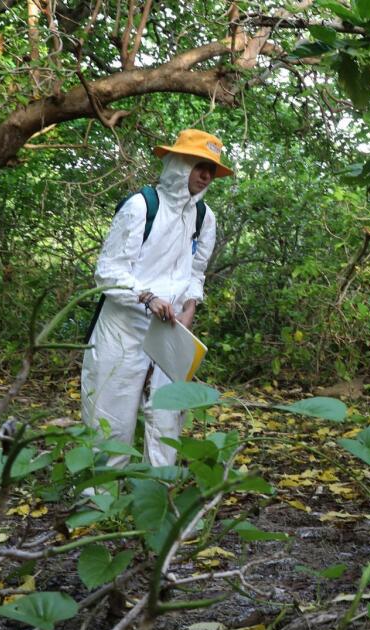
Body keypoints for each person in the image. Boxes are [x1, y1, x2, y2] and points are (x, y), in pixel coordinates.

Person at [81, 129, 232, 468]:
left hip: (170, 332)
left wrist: (189, 308)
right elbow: (108, 272)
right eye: (199, 166)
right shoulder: (141, 206)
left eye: (212, 170)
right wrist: (147, 298)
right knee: (110, 419)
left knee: (167, 418)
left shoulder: (204, 217)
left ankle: (159, 498)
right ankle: (99, 507)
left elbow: (196, 272)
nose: (206, 176)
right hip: (122, 327)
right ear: (180, 164)